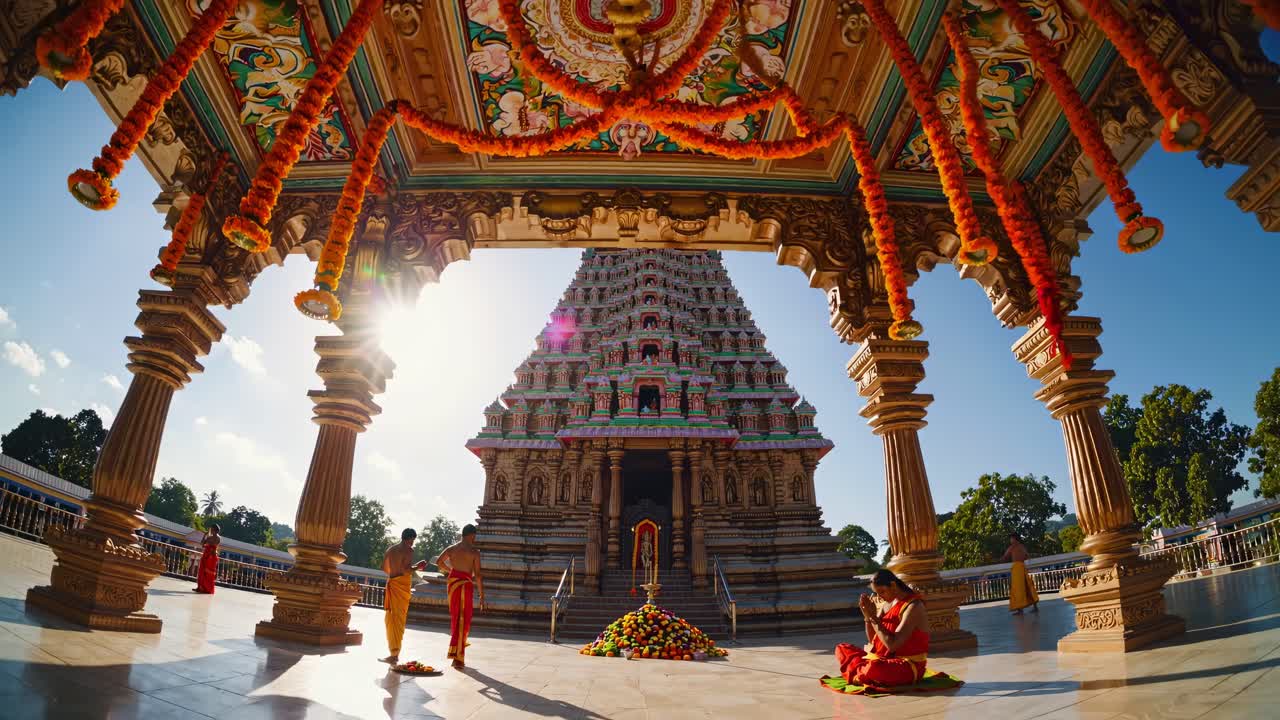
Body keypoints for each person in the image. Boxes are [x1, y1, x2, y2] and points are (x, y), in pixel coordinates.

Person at [833, 569, 930, 689]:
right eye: (877, 593)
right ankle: (862, 673)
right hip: (883, 659)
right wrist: (867, 617)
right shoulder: (887, 604)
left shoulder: (913, 606)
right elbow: (873, 640)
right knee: (842, 648)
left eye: (882, 592)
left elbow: (893, 645)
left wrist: (873, 617)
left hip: (907, 665)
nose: (880, 597)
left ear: (893, 585)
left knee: (875, 668)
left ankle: (859, 672)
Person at [436, 524, 485, 669]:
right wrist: (482, 595)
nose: (474, 539)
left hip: (453, 585)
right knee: (463, 619)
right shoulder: (474, 552)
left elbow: (439, 562)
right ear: (471, 535)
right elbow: (479, 575)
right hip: (466, 585)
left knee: (456, 617)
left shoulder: (451, 549)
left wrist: (452, 570)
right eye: (474, 536)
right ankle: (458, 657)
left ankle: (456, 654)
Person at [381, 528, 427, 664]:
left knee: (391, 618)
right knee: (399, 619)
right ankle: (394, 654)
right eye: (412, 540)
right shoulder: (408, 551)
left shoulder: (390, 549)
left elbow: (384, 568)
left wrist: (394, 575)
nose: (412, 543)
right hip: (401, 585)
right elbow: (405, 570)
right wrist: (417, 567)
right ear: (407, 539)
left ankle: (393, 653)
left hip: (393, 583)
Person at [1000, 533, 1039, 615]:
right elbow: (1027, 556)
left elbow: (1005, 557)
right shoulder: (1022, 546)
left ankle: (1020, 610)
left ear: (1014, 539)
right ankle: (1035, 607)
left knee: (1018, 589)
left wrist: (997, 561)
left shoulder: (1012, 547)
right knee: (1027, 586)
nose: (1010, 540)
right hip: (1022, 566)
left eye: (1011, 539)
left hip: (1017, 568)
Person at [193, 524, 220, 594]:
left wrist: (207, 540)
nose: (211, 530)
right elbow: (202, 544)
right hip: (206, 554)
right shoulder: (209, 537)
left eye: (213, 529)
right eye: (211, 529)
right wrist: (204, 535)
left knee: (208, 573)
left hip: (212, 556)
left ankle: (207, 589)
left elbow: (213, 545)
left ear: (216, 530)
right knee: (201, 571)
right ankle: (200, 588)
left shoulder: (218, 538)